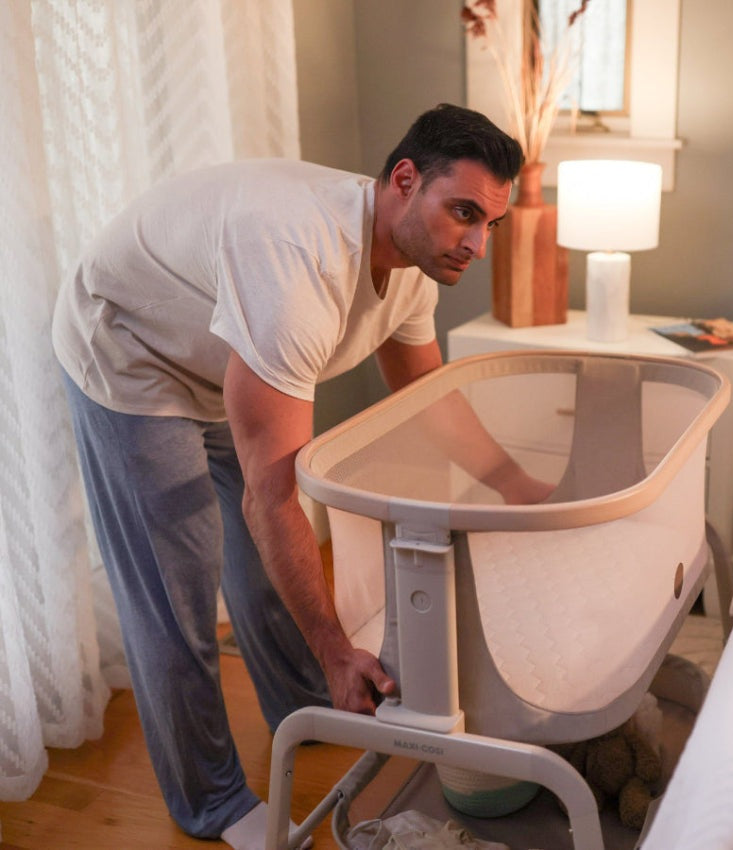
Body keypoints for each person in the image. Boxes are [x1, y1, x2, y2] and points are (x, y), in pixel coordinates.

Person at [52, 103, 539, 849]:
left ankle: (300, 703)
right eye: (464, 213)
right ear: (404, 181)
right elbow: (272, 495)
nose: (476, 243)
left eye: (489, 224)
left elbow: (427, 402)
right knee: (177, 583)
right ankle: (210, 801)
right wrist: (338, 645)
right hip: (131, 351)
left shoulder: (412, 260)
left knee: (261, 556)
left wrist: (516, 483)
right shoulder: (296, 262)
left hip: (222, 349)